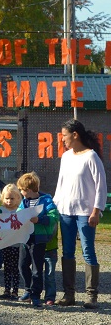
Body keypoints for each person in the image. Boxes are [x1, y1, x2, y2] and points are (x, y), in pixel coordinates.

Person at [53, 119, 107, 309]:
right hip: (65, 211)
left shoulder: (91, 157)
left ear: (75, 135)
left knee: (88, 251)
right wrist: (55, 206)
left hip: (85, 213)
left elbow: (101, 186)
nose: (63, 140)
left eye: (65, 136)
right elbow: (61, 184)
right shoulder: (66, 157)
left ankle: (91, 295)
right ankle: (69, 295)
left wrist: (96, 210)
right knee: (67, 252)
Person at [16, 172, 59, 308]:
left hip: (39, 239)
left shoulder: (46, 200)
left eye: (21, 190)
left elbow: (54, 216)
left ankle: (35, 295)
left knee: (36, 268)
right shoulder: (24, 202)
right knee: (22, 265)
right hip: (25, 238)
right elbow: (18, 213)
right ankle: (28, 290)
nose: (21, 192)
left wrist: (39, 220)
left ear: (28, 189)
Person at [0, 184, 22, 300]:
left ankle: (15, 290)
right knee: (7, 267)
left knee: (16, 267)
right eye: (7, 198)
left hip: (17, 244)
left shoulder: (21, 210)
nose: (9, 201)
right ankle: (7, 289)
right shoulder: (1, 210)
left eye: (12, 198)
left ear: (17, 198)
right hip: (5, 243)